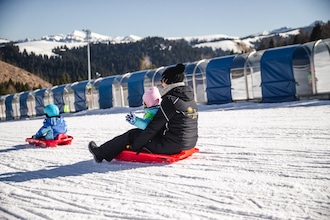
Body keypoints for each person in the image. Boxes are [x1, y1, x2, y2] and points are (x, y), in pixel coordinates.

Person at [88, 63, 198, 163]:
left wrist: (135, 146)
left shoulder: (171, 100)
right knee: (142, 133)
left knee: (133, 134)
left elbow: (153, 127)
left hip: (172, 146)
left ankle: (100, 153)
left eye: (162, 81)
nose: (162, 84)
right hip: (189, 143)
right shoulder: (189, 98)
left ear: (167, 81)